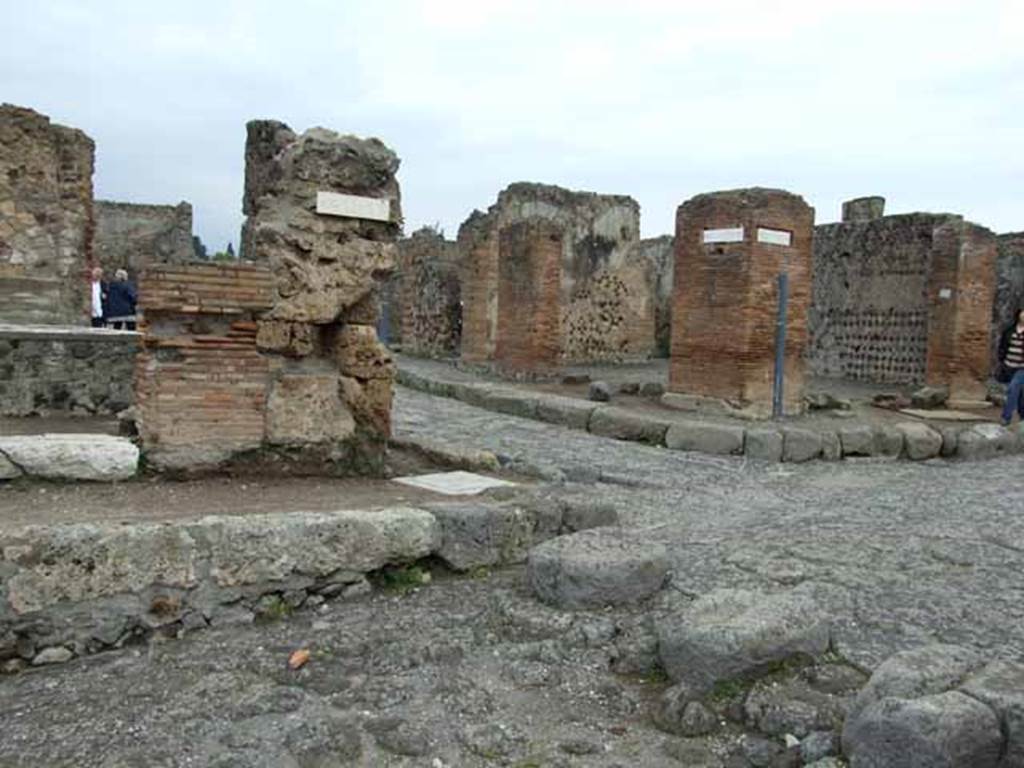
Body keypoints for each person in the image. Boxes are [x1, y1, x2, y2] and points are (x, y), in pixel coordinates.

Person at [996, 307, 1024, 426]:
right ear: (1019, 315)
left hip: (1022, 367)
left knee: (1012, 389)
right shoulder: (1009, 330)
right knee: (1020, 394)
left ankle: (1005, 418)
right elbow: (1002, 345)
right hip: (1008, 365)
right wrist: (1001, 359)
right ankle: (1023, 417)